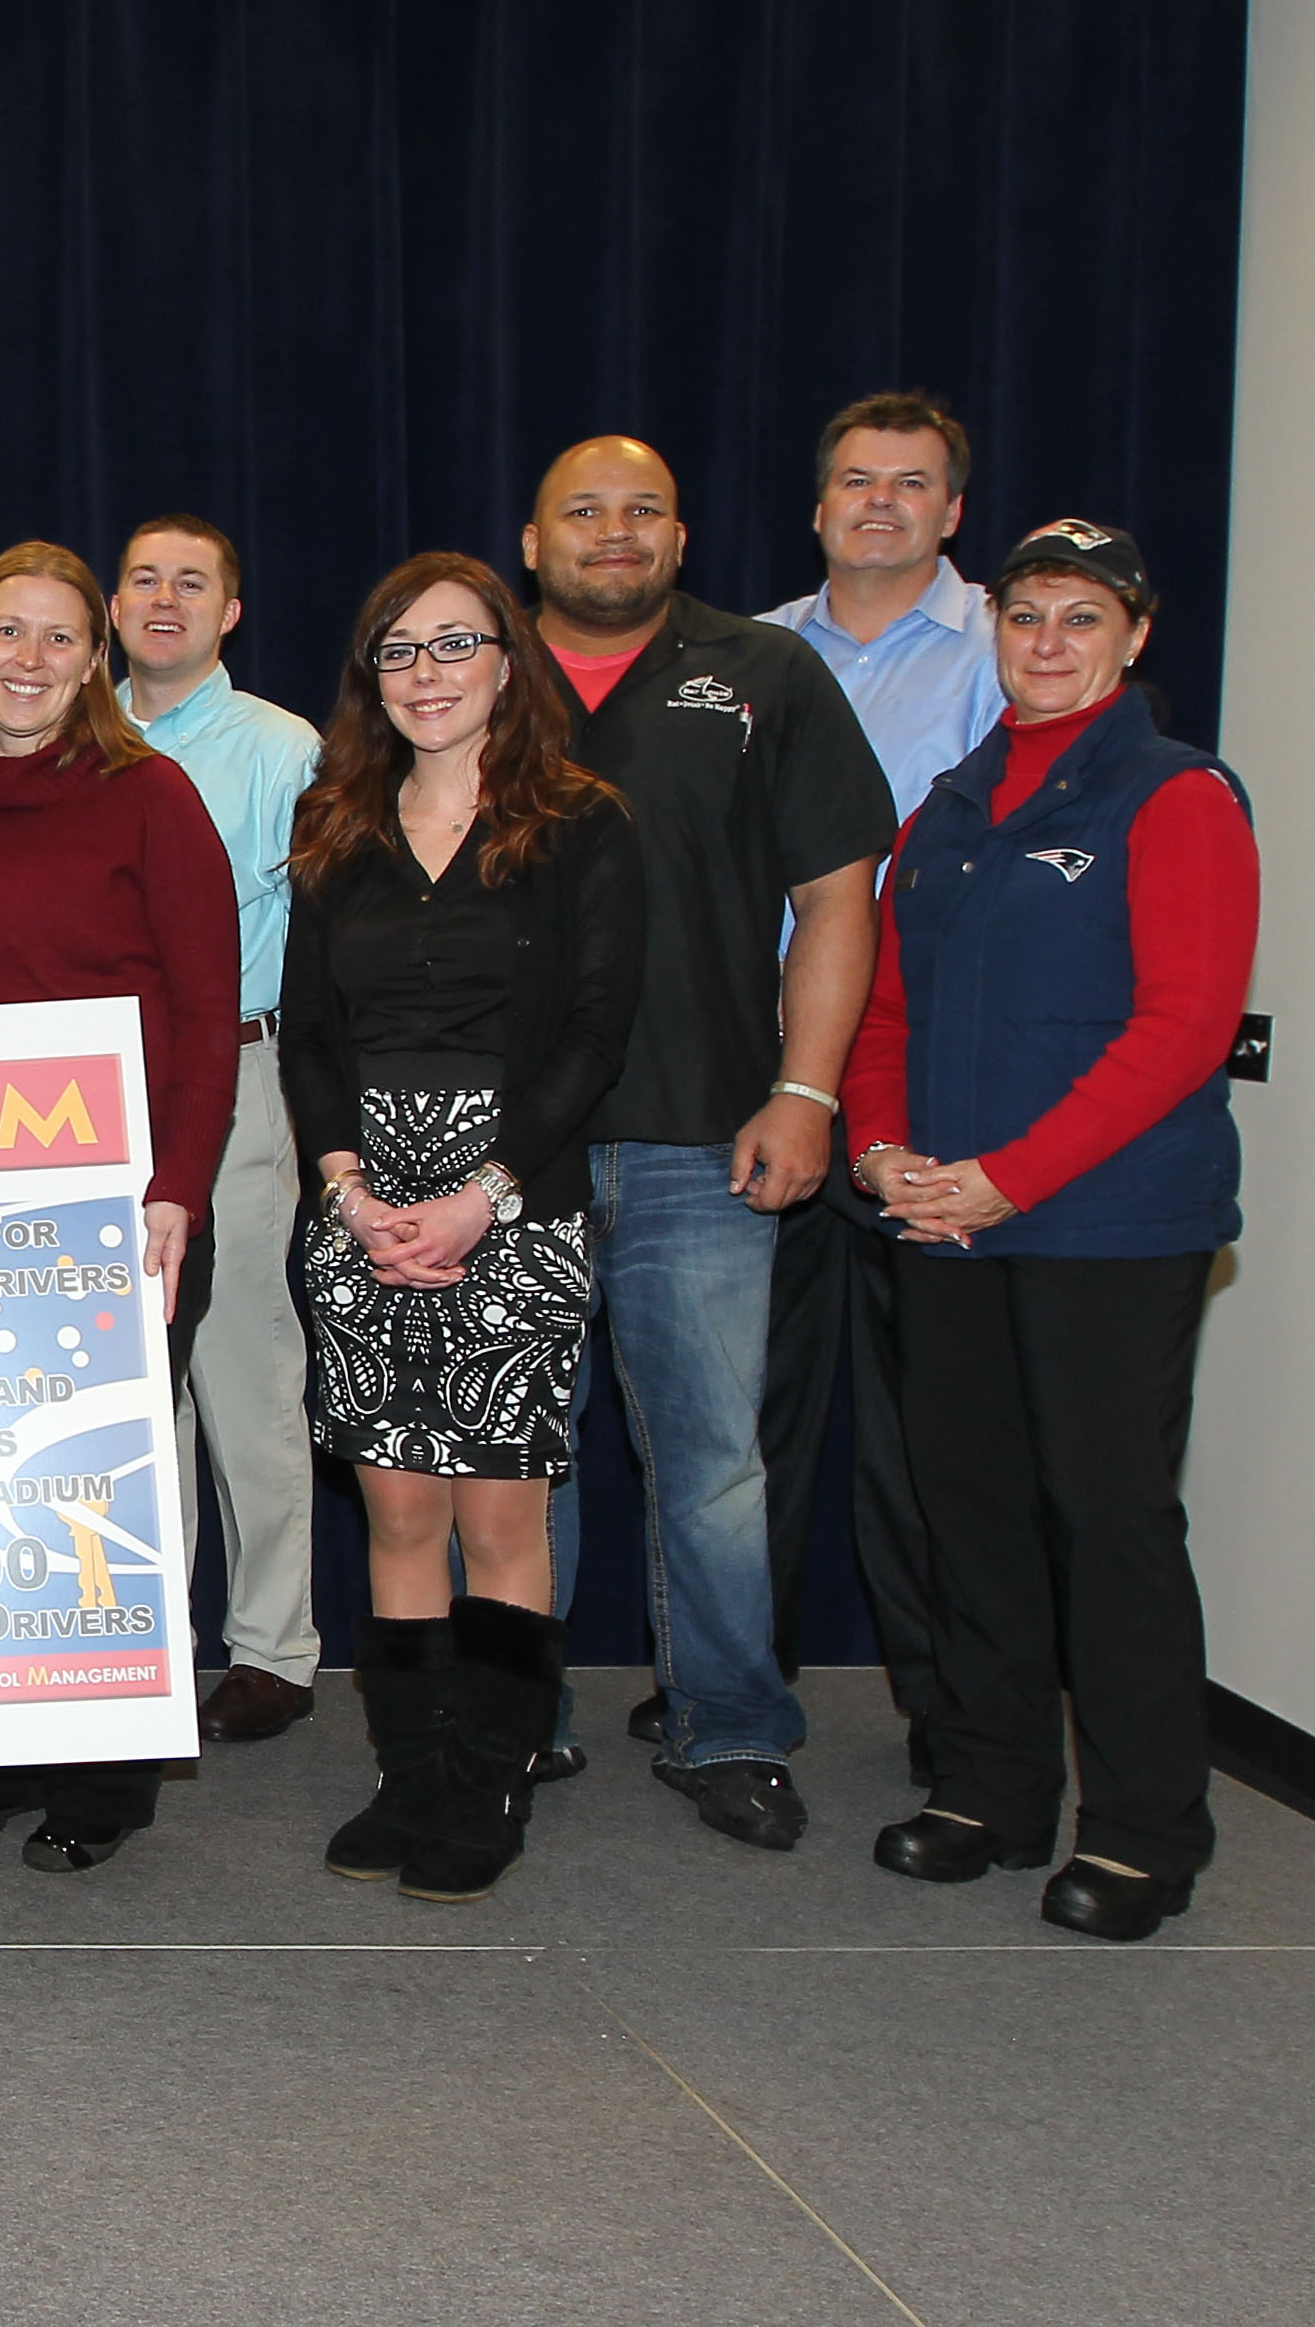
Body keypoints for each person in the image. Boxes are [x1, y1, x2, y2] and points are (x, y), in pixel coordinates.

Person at [844, 519, 1257, 1943]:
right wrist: (880, 1152)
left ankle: (1145, 1829)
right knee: (967, 1515)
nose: (1045, 641)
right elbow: (881, 1014)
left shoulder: (1174, 795)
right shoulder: (947, 808)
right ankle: (989, 1787)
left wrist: (1010, 1175)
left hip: (1104, 1228)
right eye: (1023, 614)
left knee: (1107, 1521)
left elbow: (1180, 1030)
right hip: (946, 1222)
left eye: (1079, 618)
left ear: (1132, 637)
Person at [524, 435, 897, 1853]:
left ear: (680, 537)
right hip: (512, 1152)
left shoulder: (762, 676)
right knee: (514, 1456)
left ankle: (727, 1726)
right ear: (531, 538)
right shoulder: (470, 674)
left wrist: (804, 1094)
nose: (610, 534)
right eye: (581, 512)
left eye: (640, 512)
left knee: (713, 1462)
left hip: (702, 1137)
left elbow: (836, 895)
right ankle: (517, 1717)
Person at [281, 553, 642, 1901]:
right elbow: (310, 1035)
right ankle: (410, 1773)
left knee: (497, 1514)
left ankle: (488, 1776)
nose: (425, 674)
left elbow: (597, 1032)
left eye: (452, 646)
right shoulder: (336, 821)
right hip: (359, 1209)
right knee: (392, 1504)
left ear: (506, 661)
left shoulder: (578, 823)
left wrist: (476, 1195)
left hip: (511, 1201)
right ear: (368, 678)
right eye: (397, 651)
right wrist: (346, 1190)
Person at [0, 541, 238, 1872]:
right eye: (4, 634)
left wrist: (177, 1191)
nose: (26, 662)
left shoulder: (151, 797)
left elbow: (207, 1020)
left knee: (95, 1483)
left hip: (124, 1203)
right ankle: (7, 1739)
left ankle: (107, 1768)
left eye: (54, 639)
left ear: (92, 660)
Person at [749, 392, 1011, 1773]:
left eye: (908, 486)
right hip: (770, 1062)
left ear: (949, 511)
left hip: (918, 1063)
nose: (877, 505)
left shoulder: (996, 653)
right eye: (853, 481)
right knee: (759, 1406)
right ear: (814, 505)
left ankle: (942, 1704)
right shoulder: (755, 653)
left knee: (924, 1422)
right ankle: (739, 1687)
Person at [109, 516, 329, 1743]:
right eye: (142, 578)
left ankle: (272, 1646)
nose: (163, 599)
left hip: (237, 1078)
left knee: (240, 1367)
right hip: (87, 1099)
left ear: (229, 612)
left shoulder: (279, 749)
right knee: (131, 1381)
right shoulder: (74, 738)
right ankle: (145, 1637)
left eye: (191, 583)